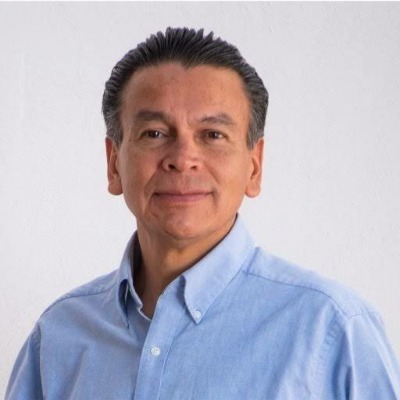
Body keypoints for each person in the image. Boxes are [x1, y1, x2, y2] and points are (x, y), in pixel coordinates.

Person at [6, 27, 400, 400]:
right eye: (154, 133)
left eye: (213, 135)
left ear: (254, 166)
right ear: (113, 164)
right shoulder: (58, 337)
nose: (182, 159)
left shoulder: (334, 329)